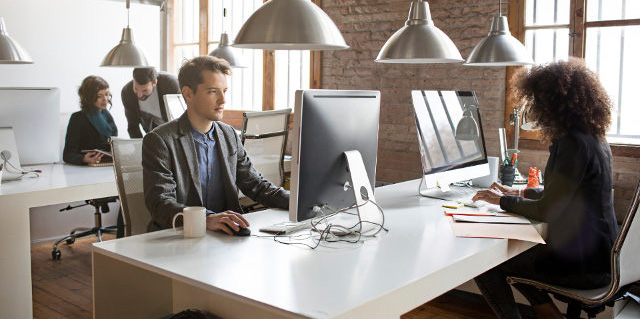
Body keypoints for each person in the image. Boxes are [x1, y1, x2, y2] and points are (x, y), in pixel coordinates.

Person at [471, 59, 619, 319]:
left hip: (583, 265)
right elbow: (565, 195)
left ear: (553, 103)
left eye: (537, 101)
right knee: (517, 260)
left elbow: (549, 209)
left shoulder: (572, 143)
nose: (533, 108)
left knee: (485, 264)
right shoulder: (594, 138)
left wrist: (500, 201)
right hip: (601, 257)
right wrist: (517, 192)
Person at [142, 56, 289, 235]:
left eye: (224, 91)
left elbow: (255, 185)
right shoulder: (159, 140)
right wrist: (205, 219)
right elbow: (160, 202)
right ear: (188, 94)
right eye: (213, 91)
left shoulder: (228, 135)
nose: (223, 100)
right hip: (180, 237)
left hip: (225, 236)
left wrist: (297, 201)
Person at [63, 76, 118, 165]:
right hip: (85, 170)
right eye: (99, 96)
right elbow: (68, 155)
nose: (105, 99)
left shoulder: (106, 115)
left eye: (107, 94)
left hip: (107, 165)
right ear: (89, 97)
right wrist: (84, 159)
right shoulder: (78, 118)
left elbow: (115, 144)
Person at [121, 67, 180, 138]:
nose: (139, 95)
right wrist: (139, 146)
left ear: (154, 83)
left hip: (173, 130)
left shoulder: (170, 84)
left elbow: (180, 118)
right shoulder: (127, 92)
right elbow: (133, 127)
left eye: (144, 90)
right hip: (153, 133)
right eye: (136, 89)